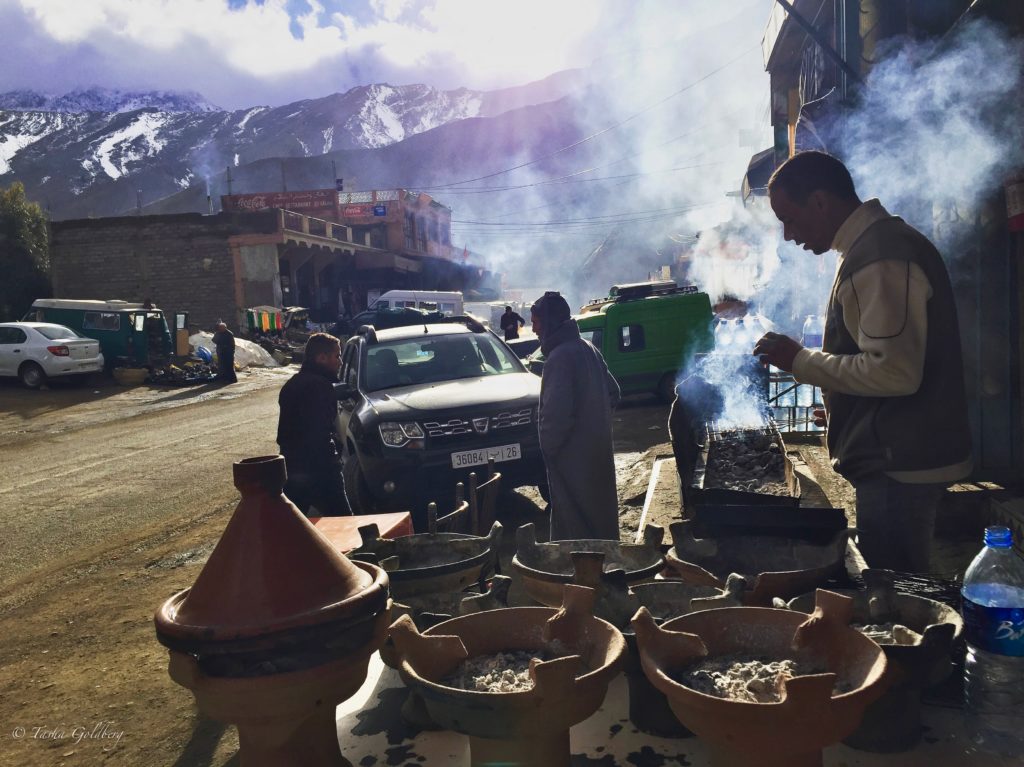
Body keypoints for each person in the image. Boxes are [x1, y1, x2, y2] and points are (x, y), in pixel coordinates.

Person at [753, 150, 971, 573]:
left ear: (819, 201)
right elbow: (881, 361)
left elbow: (895, 371)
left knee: (894, 592)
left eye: (790, 219)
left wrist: (800, 361)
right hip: (896, 456)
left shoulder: (881, 256)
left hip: (899, 464)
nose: (787, 235)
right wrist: (843, 409)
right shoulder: (869, 249)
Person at [531, 291, 621, 541]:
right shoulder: (587, 348)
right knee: (600, 523)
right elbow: (614, 392)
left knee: (576, 533)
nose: (533, 328)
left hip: (572, 463)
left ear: (548, 322)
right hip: (596, 454)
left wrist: (551, 450)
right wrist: (595, 426)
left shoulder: (559, 358)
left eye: (536, 322)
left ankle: (585, 578)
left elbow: (555, 420)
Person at [276, 332, 351, 517]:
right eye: (337, 356)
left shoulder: (292, 384)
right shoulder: (320, 386)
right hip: (320, 469)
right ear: (322, 358)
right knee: (344, 525)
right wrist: (332, 462)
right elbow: (319, 433)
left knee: (293, 526)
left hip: (292, 467)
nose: (340, 362)